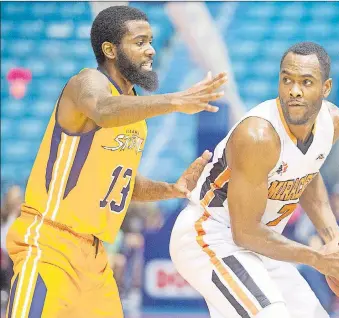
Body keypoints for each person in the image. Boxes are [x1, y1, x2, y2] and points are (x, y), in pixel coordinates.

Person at [5, 6, 227, 318]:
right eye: (139, 42)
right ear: (110, 49)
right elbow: (104, 108)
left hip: (96, 258)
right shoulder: (86, 84)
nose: (150, 50)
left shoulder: (136, 114)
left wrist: (173, 188)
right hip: (50, 244)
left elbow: (121, 181)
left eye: (150, 41)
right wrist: (176, 101)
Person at [170, 42, 339, 318]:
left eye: (306, 82)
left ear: (325, 89)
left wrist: (334, 241)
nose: (294, 91)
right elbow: (244, 232)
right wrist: (317, 258)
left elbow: (307, 176)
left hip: (261, 244)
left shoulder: (332, 122)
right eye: (287, 80)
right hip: (211, 235)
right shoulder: (258, 135)